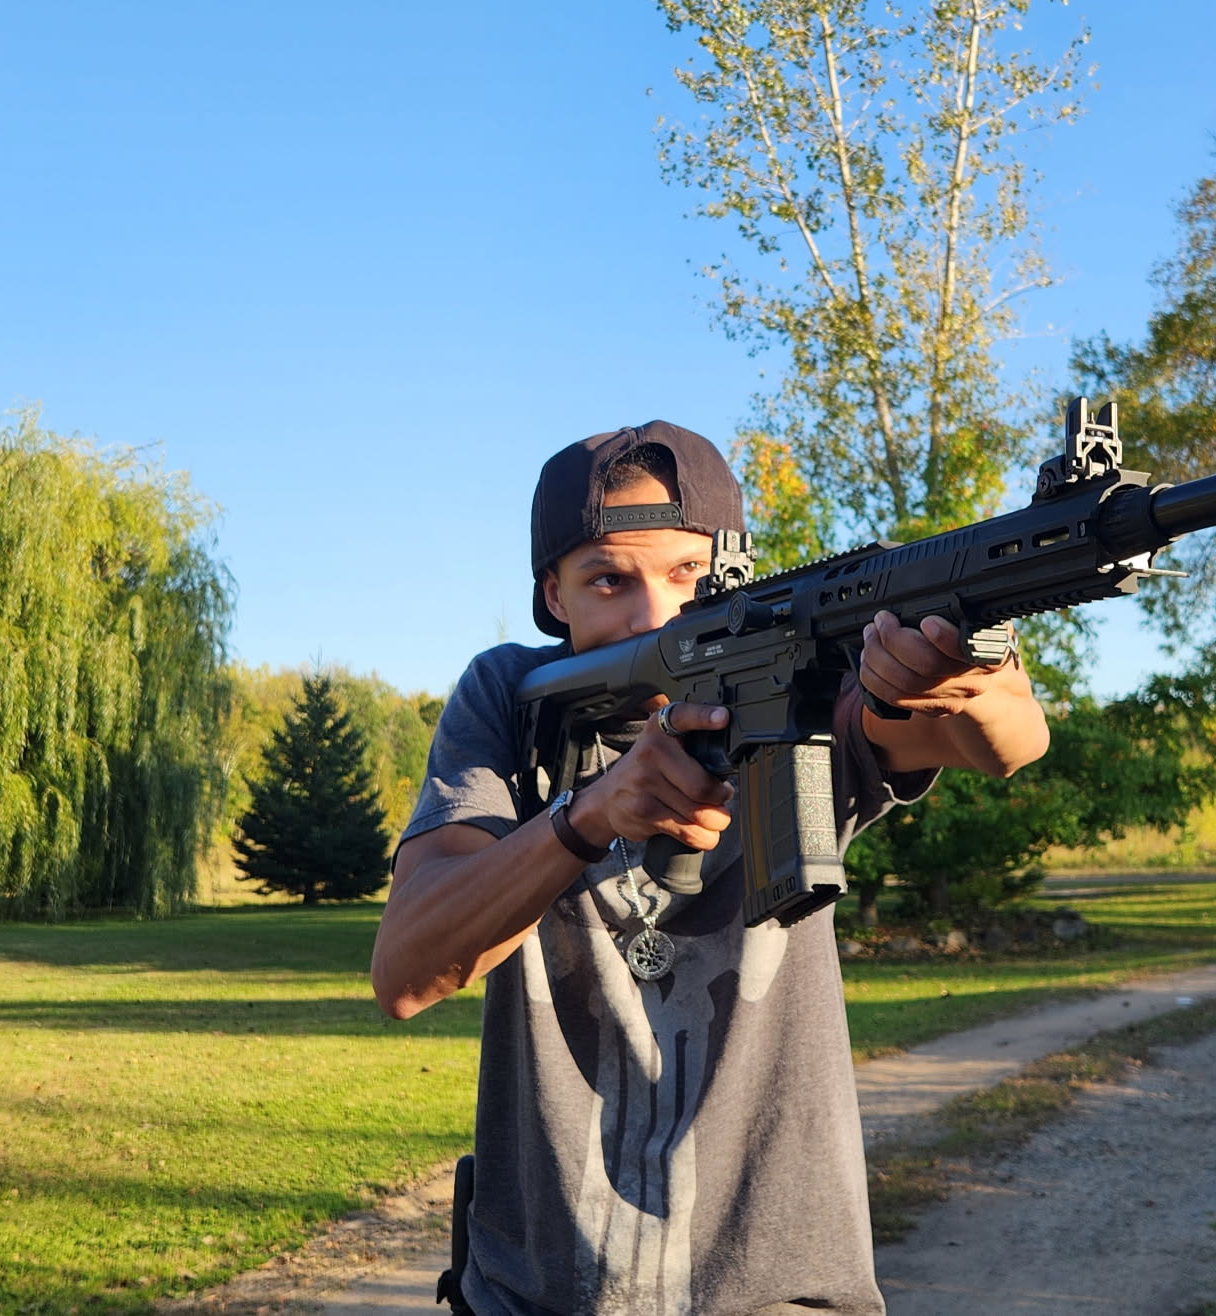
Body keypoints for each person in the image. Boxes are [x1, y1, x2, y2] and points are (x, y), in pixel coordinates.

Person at [371, 420, 1049, 1315]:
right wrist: (586, 817)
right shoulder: (508, 700)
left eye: (688, 574)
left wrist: (970, 670)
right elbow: (407, 973)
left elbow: (1004, 740)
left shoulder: (804, 681)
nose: (654, 615)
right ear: (553, 595)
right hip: (532, 1293)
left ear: (734, 574)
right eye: (609, 579)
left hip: (779, 1291)